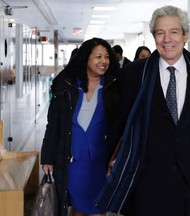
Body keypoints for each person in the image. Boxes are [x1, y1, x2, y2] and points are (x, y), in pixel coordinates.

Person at [96, 5, 190, 216]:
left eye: (174, 31)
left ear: (186, 35)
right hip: (149, 183)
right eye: (160, 32)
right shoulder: (134, 73)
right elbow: (121, 123)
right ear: (154, 37)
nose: (167, 39)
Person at [41, 37, 120, 216]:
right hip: (74, 160)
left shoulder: (113, 87)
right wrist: (47, 157)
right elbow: (54, 123)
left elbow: (120, 124)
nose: (104, 61)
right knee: (78, 206)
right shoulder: (66, 85)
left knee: (99, 206)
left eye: (107, 57)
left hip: (101, 161)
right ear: (86, 58)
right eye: (98, 56)